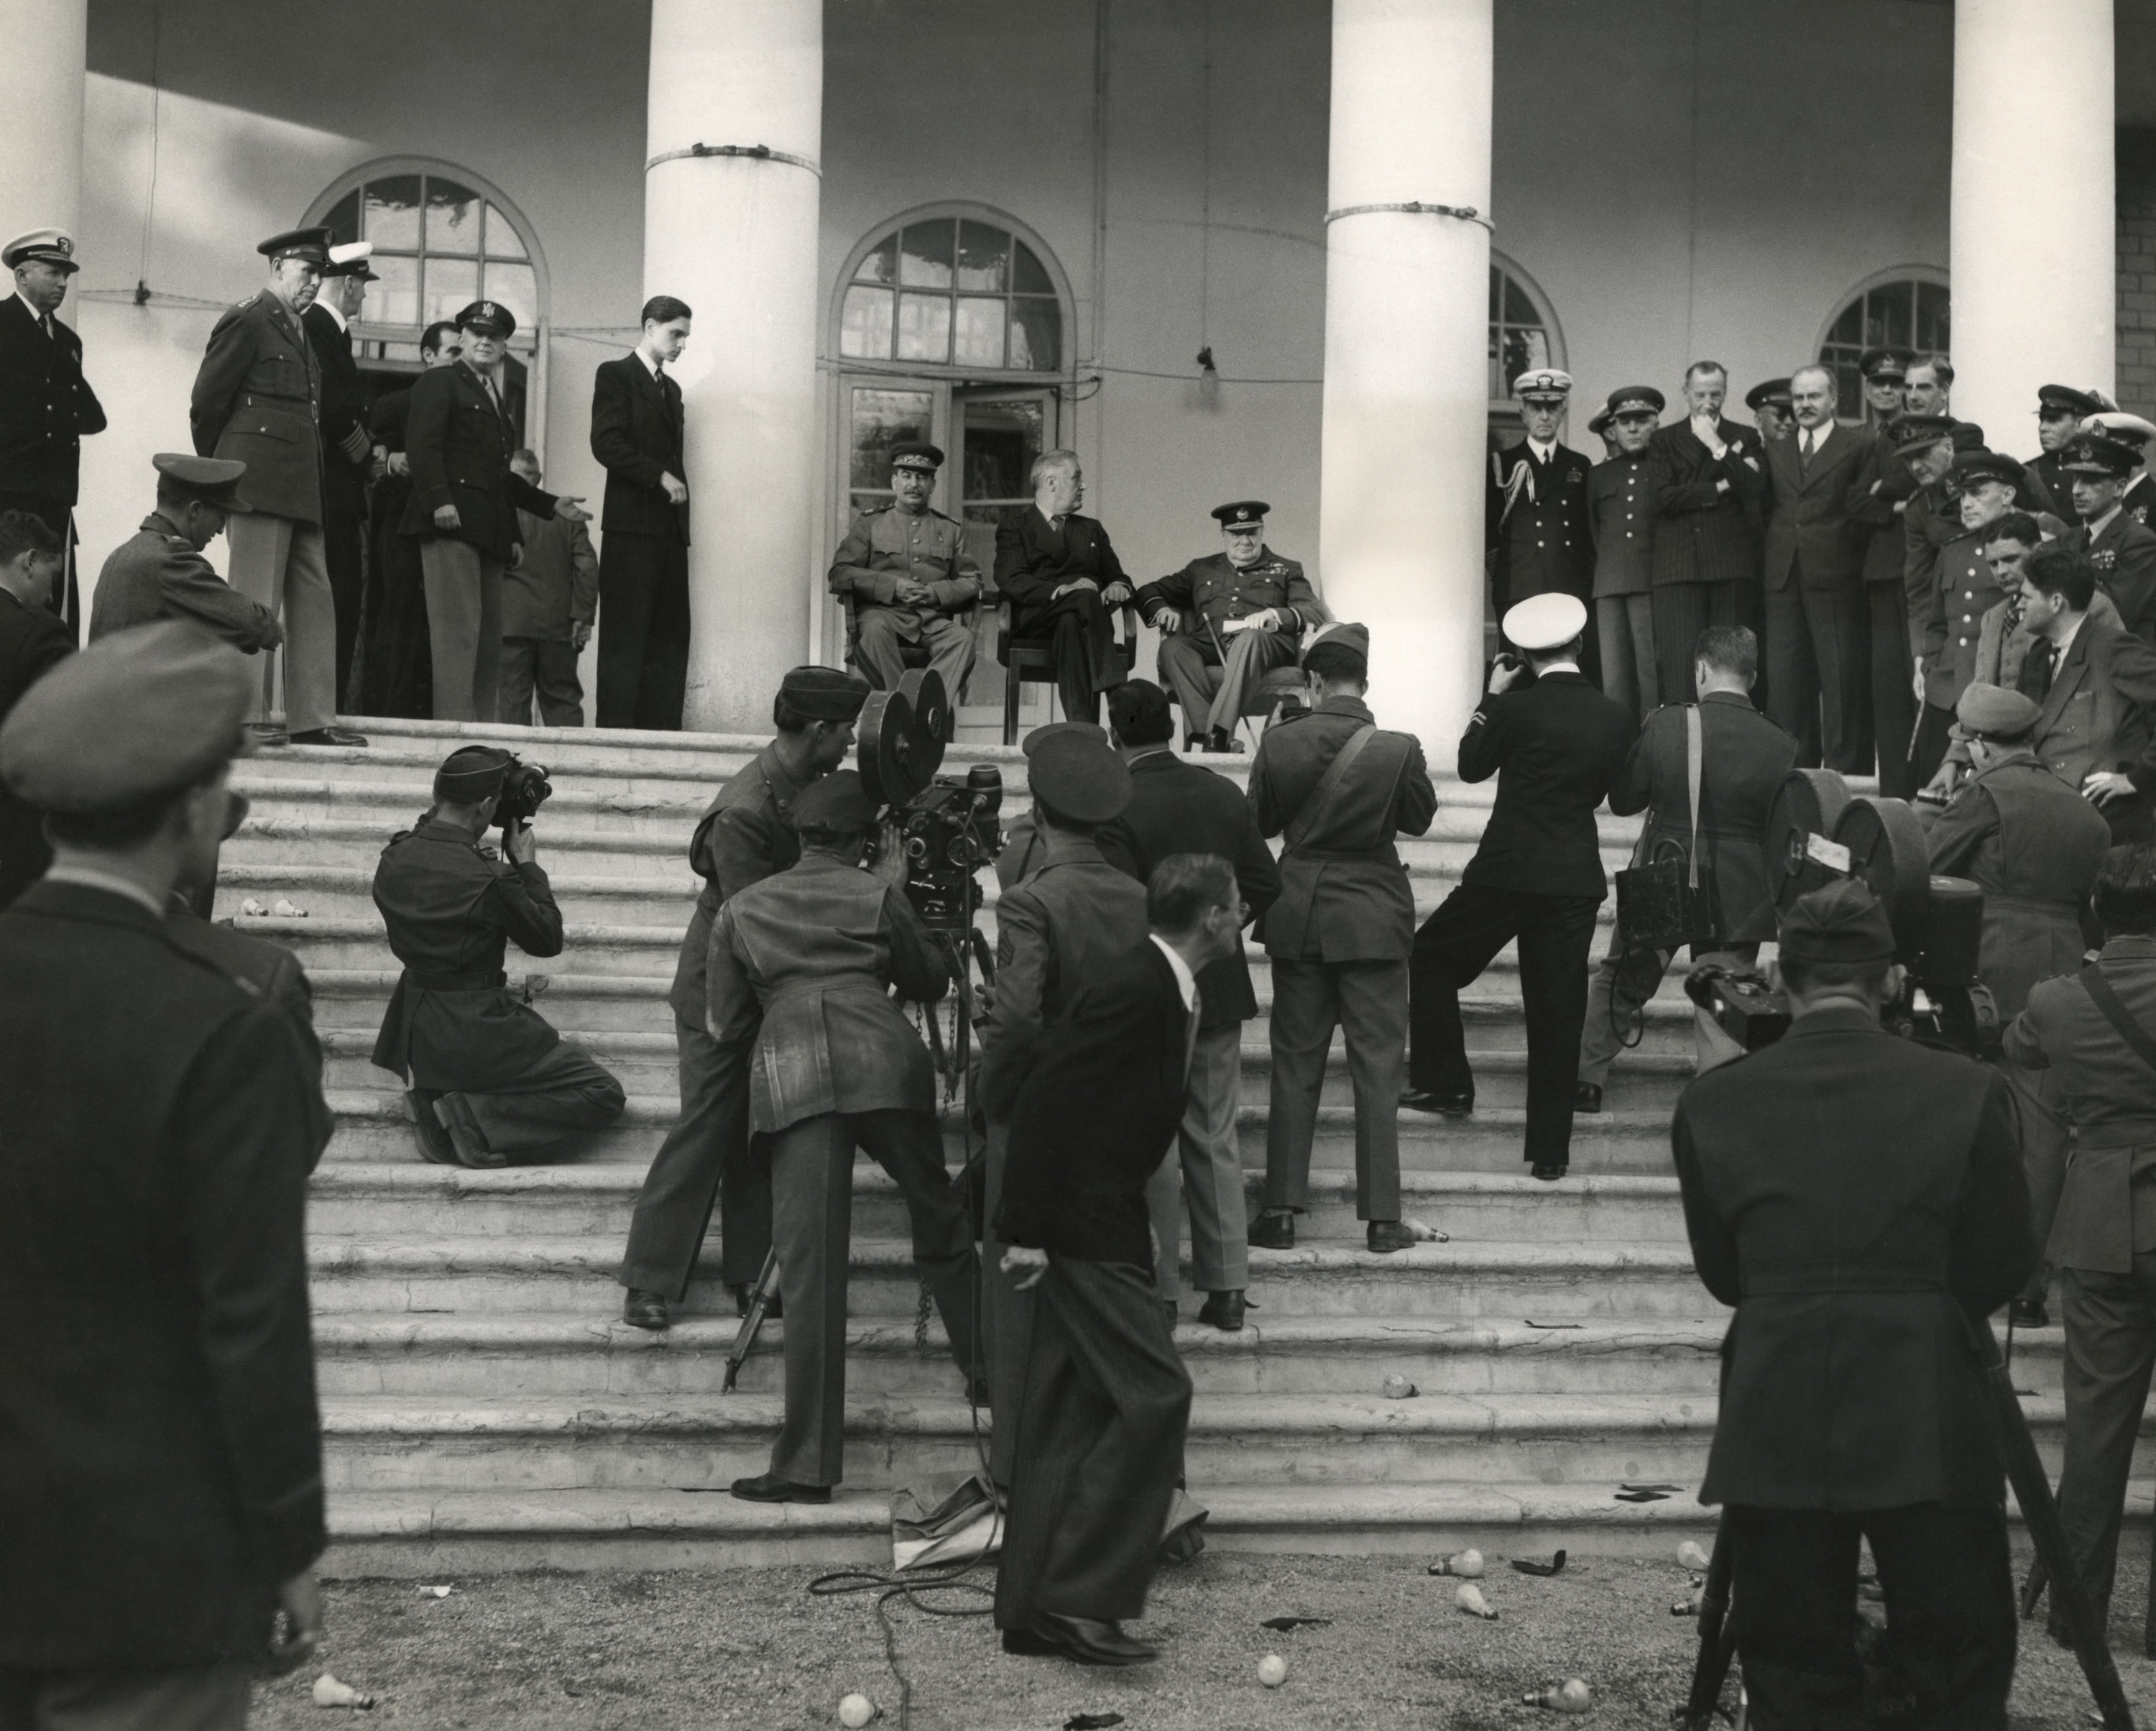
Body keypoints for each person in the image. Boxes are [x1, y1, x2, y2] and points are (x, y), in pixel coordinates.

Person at [0, 621, 331, 1730]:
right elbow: (252, 1319)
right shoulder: (218, 1022)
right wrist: (287, 1542)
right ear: (197, 808)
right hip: (137, 1571)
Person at [1673, 877, 2030, 1725]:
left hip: (1778, 1398)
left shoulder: (1714, 1101)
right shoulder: (1967, 1089)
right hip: (1928, 1397)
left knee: (1792, 1668)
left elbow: (1726, 1276)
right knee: (1957, 1663)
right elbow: (2002, 1260)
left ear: (1782, 977)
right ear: (1890, 980)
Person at [993, 854, 1240, 1668]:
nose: (1243, 920)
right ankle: (1083, 1599)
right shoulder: (1137, 985)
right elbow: (1044, 1097)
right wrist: (1025, 1224)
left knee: (1071, 1411)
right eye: (1235, 907)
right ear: (1208, 915)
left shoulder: (1165, 985)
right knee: (1154, 1394)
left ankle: (1033, 1609)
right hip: (1083, 1223)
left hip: (1100, 1216)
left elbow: (1099, 1110)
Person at [716, 771, 980, 1505]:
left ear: (799, 837)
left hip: (792, 1072)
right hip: (884, 1062)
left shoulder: (742, 906)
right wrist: (892, 891)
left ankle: (804, 1466)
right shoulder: (875, 893)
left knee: (811, 1269)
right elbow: (930, 979)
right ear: (868, 842)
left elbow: (723, 1024)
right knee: (941, 1216)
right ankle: (990, 1373)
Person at [618, 666, 867, 1330]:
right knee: (705, 1127)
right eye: (846, 731)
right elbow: (757, 922)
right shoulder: (746, 812)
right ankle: (648, 1280)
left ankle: (750, 1274)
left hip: (762, 983)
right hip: (720, 992)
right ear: (818, 731)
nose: (850, 744)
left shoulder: (798, 785)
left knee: (757, 1133)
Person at [1405, 594, 1633, 1180]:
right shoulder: (1613, 715)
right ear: (1580, 645)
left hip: (1505, 872)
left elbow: (1472, 764)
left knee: (1430, 959)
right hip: (1573, 879)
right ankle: (1550, 1154)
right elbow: (1626, 799)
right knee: (1558, 1015)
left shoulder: (1516, 709)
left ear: (1524, 657)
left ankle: (1447, 1086)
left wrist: (1492, 696)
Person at [976, 727, 1149, 1486]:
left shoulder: (1031, 901)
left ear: (1039, 810)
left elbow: (1014, 1019)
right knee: (1110, 1298)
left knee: (1019, 1303)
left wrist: (994, 1094)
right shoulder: (1144, 898)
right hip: (1121, 1123)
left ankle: (1020, 1472)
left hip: (1041, 1120)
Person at [2005, 843, 2156, 1644]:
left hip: (2101, 1217)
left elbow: (2022, 1047)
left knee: (2096, 1430)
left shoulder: (2063, 997)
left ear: (2099, 910)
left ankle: (2077, 1613)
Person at [1097, 679, 1281, 1331]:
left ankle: (1164, 1292)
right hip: (1220, 983)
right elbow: (1265, 879)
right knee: (1213, 1135)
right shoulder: (1220, 790)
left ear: (1114, 732)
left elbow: (1116, 901)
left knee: (1152, 1143)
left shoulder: (1114, 799)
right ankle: (1228, 1288)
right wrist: (1217, 933)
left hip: (1148, 989)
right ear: (1173, 726)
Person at [1249, 622, 1437, 1246]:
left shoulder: (1280, 741)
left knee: (1295, 1067)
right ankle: (1383, 1219)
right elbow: (1418, 820)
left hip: (1300, 913)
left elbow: (1262, 823)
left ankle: (1278, 1214)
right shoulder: (1398, 746)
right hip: (1373, 919)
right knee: (1378, 1072)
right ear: (1364, 681)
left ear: (1312, 680)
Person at [370, 744, 625, 1167]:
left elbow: (432, 828)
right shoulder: (490, 876)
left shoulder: (394, 856)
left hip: (417, 1028)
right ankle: (474, 1116)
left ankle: (435, 1105)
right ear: (487, 805)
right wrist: (526, 865)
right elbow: (547, 939)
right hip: (476, 1031)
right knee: (601, 1093)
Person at [1575, 625, 1797, 1112]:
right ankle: (1716, 1097)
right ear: (1752, 676)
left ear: (1700, 669)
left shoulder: (1668, 723)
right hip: (1741, 888)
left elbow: (1625, 798)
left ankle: (1587, 1080)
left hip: (1667, 866)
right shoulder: (1782, 744)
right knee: (1724, 993)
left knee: (1623, 977)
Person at [190, 226, 364, 750]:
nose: (313, 283)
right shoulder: (248, 318)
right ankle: (245, 717)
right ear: (278, 267)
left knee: (315, 598)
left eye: (320, 274)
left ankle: (313, 718)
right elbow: (206, 403)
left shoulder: (300, 329)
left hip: (302, 487)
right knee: (252, 599)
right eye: (306, 271)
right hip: (257, 484)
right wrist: (219, 480)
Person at [402, 300, 589, 722]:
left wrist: (544, 507)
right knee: (457, 634)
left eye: (495, 336)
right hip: (449, 524)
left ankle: (480, 731)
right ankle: (454, 730)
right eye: (477, 334)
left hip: (486, 530)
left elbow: (495, 476)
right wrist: (440, 500)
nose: (485, 341)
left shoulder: (491, 394)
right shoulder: (442, 382)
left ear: (505, 346)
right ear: (463, 338)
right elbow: (422, 446)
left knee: (487, 640)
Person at [1932, 541, 2156, 845]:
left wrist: (2138, 778)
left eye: (2026, 597)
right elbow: (2020, 738)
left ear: (2055, 602)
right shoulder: (2037, 657)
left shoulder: (2112, 649)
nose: (2018, 605)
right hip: (2047, 810)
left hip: (2102, 824)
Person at [1925, 683, 2111, 1024]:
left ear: (1981, 747)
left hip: (1992, 976)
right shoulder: (2087, 811)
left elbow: (1926, 870)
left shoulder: (1982, 796)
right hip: (2068, 979)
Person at [1135, 499, 1325, 753]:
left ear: (1262, 531)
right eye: (1236, 533)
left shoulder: (1286, 568)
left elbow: (1313, 612)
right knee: (1172, 647)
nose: (1244, 541)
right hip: (1211, 643)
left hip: (1264, 645)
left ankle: (1219, 735)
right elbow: (1149, 590)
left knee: (1250, 639)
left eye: (1251, 532)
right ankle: (1209, 739)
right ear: (1223, 534)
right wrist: (1161, 608)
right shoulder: (1201, 569)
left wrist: (1276, 614)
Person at [1763, 364, 1874, 771]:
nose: (1805, 405)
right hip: (1783, 579)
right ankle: (1792, 774)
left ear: (1833, 400)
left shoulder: (1857, 446)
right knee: (1786, 685)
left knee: (1839, 680)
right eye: (1798, 398)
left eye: (1813, 396)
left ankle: (1843, 776)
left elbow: (1862, 512)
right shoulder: (1776, 449)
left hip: (1836, 578)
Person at [591, 295, 693, 730]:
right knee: (626, 638)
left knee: (669, 638)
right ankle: (616, 738)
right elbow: (606, 444)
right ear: (650, 327)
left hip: (668, 532)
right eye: (676, 334)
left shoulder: (672, 390)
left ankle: (662, 737)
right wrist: (658, 477)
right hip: (631, 531)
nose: (681, 344)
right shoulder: (615, 375)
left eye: (685, 336)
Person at [829, 439, 980, 712]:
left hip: (931, 621)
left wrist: (937, 593)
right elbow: (840, 573)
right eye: (907, 476)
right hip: (882, 615)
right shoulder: (870, 523)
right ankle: (901, 709)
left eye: (922, 477)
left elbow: (972, 581)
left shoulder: (951, 529)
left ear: (933, 485)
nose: (914, 484)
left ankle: (928, 709)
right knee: (875, 630)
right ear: (894, 482)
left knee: (963, 639)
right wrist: (892, 586)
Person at [0, 229, 103, 630]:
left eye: (66, 275)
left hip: (55, 500)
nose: (62, 283)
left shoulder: (67, 341)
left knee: (47, 610)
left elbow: (93, 416)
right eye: (52, 272)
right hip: (6, 494)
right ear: (22, 274)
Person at [355, 318, 458, 718]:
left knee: (445, 625)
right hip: (401, 530)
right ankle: (391, 712)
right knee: (399, 620)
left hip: (450, 530)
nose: (460, 361)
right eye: (453, 352)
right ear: (429, 356)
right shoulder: (395, 404)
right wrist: (387, 454)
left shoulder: (470, 406)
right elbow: (372, 457)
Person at [1646, 363, 1766, 706]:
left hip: (1729, 566)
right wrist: (1721, 485)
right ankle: (1684, 749)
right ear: (1686, 394)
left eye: (1716, 394)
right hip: (1678, 567)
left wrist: (1715, 444)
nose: (1708, 402)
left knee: (1730, 668)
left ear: (1725, 393)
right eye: (1700, 394)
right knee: (1682, 668)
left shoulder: (1745, 436)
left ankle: (1726, 747)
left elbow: (1754, 487)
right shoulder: (1663, 439)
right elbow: (1661, 499)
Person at [1911, 449, 2027, 787]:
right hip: (1944, 695)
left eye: (1977, 493)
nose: (1966, 503)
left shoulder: (2026, 547)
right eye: (1962, 494)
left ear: (2008, 495)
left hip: (1994, 695)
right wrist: (1932, 668)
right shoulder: (1952, 551)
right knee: (1929, 792)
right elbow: (1937, 625)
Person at [992, 449, 1132, 725]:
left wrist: (1117, 586)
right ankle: (1119, 703)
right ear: (1051, 482)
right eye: (1076, 477)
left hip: (1082, 624)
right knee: (1084, 597)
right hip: (1036, 619)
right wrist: (1062, 591)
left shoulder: (1091, 529)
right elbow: (1010, 578)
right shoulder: (1015, 527)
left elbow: (1118, 576)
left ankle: (1080, 728)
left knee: (1071, 621)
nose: (1084, 485)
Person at [89, 454, 281, 654]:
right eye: (221, 517)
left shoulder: (122, 554)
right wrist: (276, 629)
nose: (220, 530)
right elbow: (254, 626)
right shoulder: (170, 561)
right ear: (195, 511)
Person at [1486, 369, 1595, 678]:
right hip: (1519, 582)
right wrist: (1505, 572)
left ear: (1563, 411)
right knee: (1517, 673)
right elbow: (1489, 531)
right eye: (1536, 408)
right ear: (1523, 412)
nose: (1544, 416)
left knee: (1565, 672)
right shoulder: (1502, 465)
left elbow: (1585, 532)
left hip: (1566, 584)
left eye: (1552, 407)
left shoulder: (1579, 464)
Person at [303, 242, 376, 704]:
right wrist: (368, 456)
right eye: (363, 286)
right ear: (348, 283)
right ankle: (321, 707)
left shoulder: (331, 332)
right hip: (329, 488)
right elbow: (333, 412)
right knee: (335, 599)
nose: (365, 296)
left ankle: (324, 706)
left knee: (339, 600)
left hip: (331, 490)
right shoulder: (319, 329)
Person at [1851, 366, 1923, 796]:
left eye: (1912, 386)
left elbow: (1920, 480)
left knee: (1923, 685)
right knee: (1890, 689)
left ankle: (1926, 792)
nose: (1905, 394)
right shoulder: (1879, 440)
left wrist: (1888, 486)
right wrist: (1892, 504)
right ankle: (1897, 793)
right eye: (1902, 386)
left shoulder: (1950, 433)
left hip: (1923, 572)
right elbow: (1854, 499)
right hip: (1883, 570)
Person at [0, 509, 68, 909]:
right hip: (16, 847)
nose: (49, 595)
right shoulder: (40, 631)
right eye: (52, 577)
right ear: (29, 561)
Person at [502, 449, 599, 727]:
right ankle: (572, 767)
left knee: (510, 708)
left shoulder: (500, 513)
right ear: (539, 478)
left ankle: (512, 768)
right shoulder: (566, 518)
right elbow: (587, 568)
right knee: (564, 705)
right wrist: (583, 616)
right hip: (559, 626)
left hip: (510, 625)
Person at [1586, 385, 1663, 720]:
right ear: (1613, 428)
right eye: (1624, 422)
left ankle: (1653, 747)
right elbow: (1593, 532)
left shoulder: (1664, 470)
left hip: (1651, 583)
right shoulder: (1598, 476)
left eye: (1641, 420)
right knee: (1614, 676)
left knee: (1651, 673)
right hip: (1608, 585)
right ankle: (1619, 751)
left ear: (1656, 423)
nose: (1632, 429)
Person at [2061, 431, 2156, 642]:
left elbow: (2114, 614)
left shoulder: (2140, 542)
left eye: (2090, 481)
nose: (2077, 490)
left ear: (2119, 487)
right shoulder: (2067, 540)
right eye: (2076, 479)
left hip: (2119, 663)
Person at [2027, 384, 2106, 519]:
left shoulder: (2098, 471)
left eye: (2053, 420)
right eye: (2042, 419)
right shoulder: (2029, 470)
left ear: (2079, 424)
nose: (2043, 428)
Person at [2086, 410, 2156, 527]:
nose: (2102, 460)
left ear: (2137, 451)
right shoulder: (2104, 498)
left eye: (2112, 451)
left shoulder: (2153, 501)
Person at [1856, 344, 1912, 426]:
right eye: (1879, 383)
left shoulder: (1917, 437)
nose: (1887, 390)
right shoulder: (1852, 437)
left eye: (1895, 384)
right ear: (1868, 391)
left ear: (1906, 391)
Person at [1903, 352, 1953, 421]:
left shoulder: (1962, 431)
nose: (1913, 397)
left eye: (1923, 388)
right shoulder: (1898, 430)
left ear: (1945, 391)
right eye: (1908, 388)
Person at [1744, 377, 1795, 445]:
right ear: (1759, 420)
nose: (1789, 422)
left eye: (1794, 415)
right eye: (1780, 414)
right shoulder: (1743, 455)